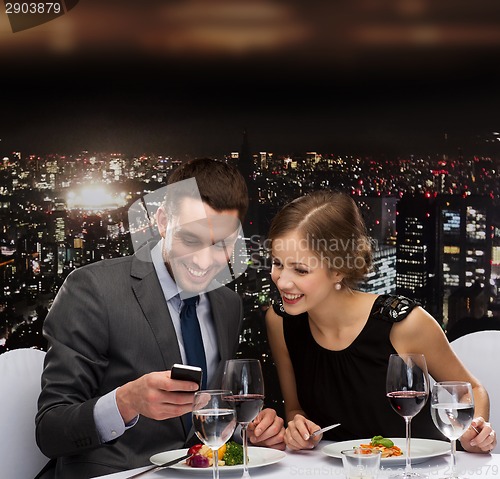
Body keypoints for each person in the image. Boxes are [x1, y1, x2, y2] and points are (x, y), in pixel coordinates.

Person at [36, 159, 285, 479]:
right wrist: (125, 402)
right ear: (163, 221)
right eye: (191, 239)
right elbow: (50, 430)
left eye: (221, 245)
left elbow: (209, 416)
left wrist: (250, 431)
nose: (204, 262)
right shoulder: (94, 289)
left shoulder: (228, 303)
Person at [265, 190, 497, 453]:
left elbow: (472, 389)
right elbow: (296, 408)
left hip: (421, 468)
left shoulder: (404, 324)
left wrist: (474, 432)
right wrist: (298, 426)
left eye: (300, 270)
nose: (282, 281)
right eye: (277, 263)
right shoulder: (279, 321)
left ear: (338, 269)